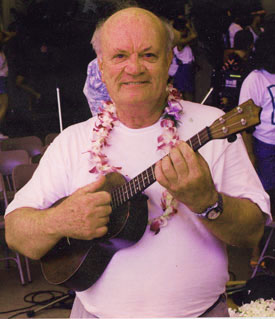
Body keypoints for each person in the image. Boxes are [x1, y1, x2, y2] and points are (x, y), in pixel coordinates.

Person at [5, 7, 271, 318]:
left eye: (148, 55)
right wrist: (60, 220)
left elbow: (253, 232)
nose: (134, 68)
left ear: (169, 61)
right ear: (101, 67)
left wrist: (208, 202)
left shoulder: (212, 126)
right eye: (119, 56)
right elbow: (15, 232)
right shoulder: (71, 141)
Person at [239, 30, 275, 268]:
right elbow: (243, 122)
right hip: (264, 147)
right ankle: (255, 254)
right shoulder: (256, 79)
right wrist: (250, 154)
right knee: (262, 200)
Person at [168, 16, 197, 101]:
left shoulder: (176, 40)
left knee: (184, 91)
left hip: (185, 68)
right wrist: (189, 26)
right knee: (187, 92)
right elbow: (194, 35)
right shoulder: (180, 42)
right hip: (185, 69)